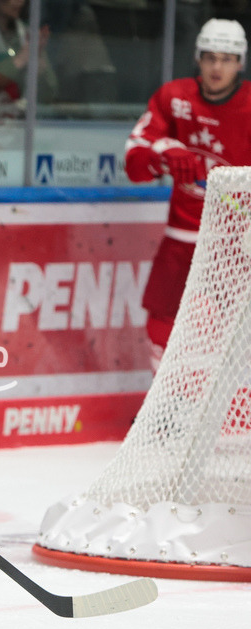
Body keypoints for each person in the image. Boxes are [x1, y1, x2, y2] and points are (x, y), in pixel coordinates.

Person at [124, 18, 251, 370]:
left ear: (240, 63)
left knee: (236, 335)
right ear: (198, 58)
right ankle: (169, 401)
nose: (217, 67)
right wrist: (162, 153)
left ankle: (233, 402)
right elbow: (134, 166)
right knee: (161, 320)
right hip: (182, 236)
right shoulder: (174, 97)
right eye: (210, 57)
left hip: (237, 244)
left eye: (226, 59)